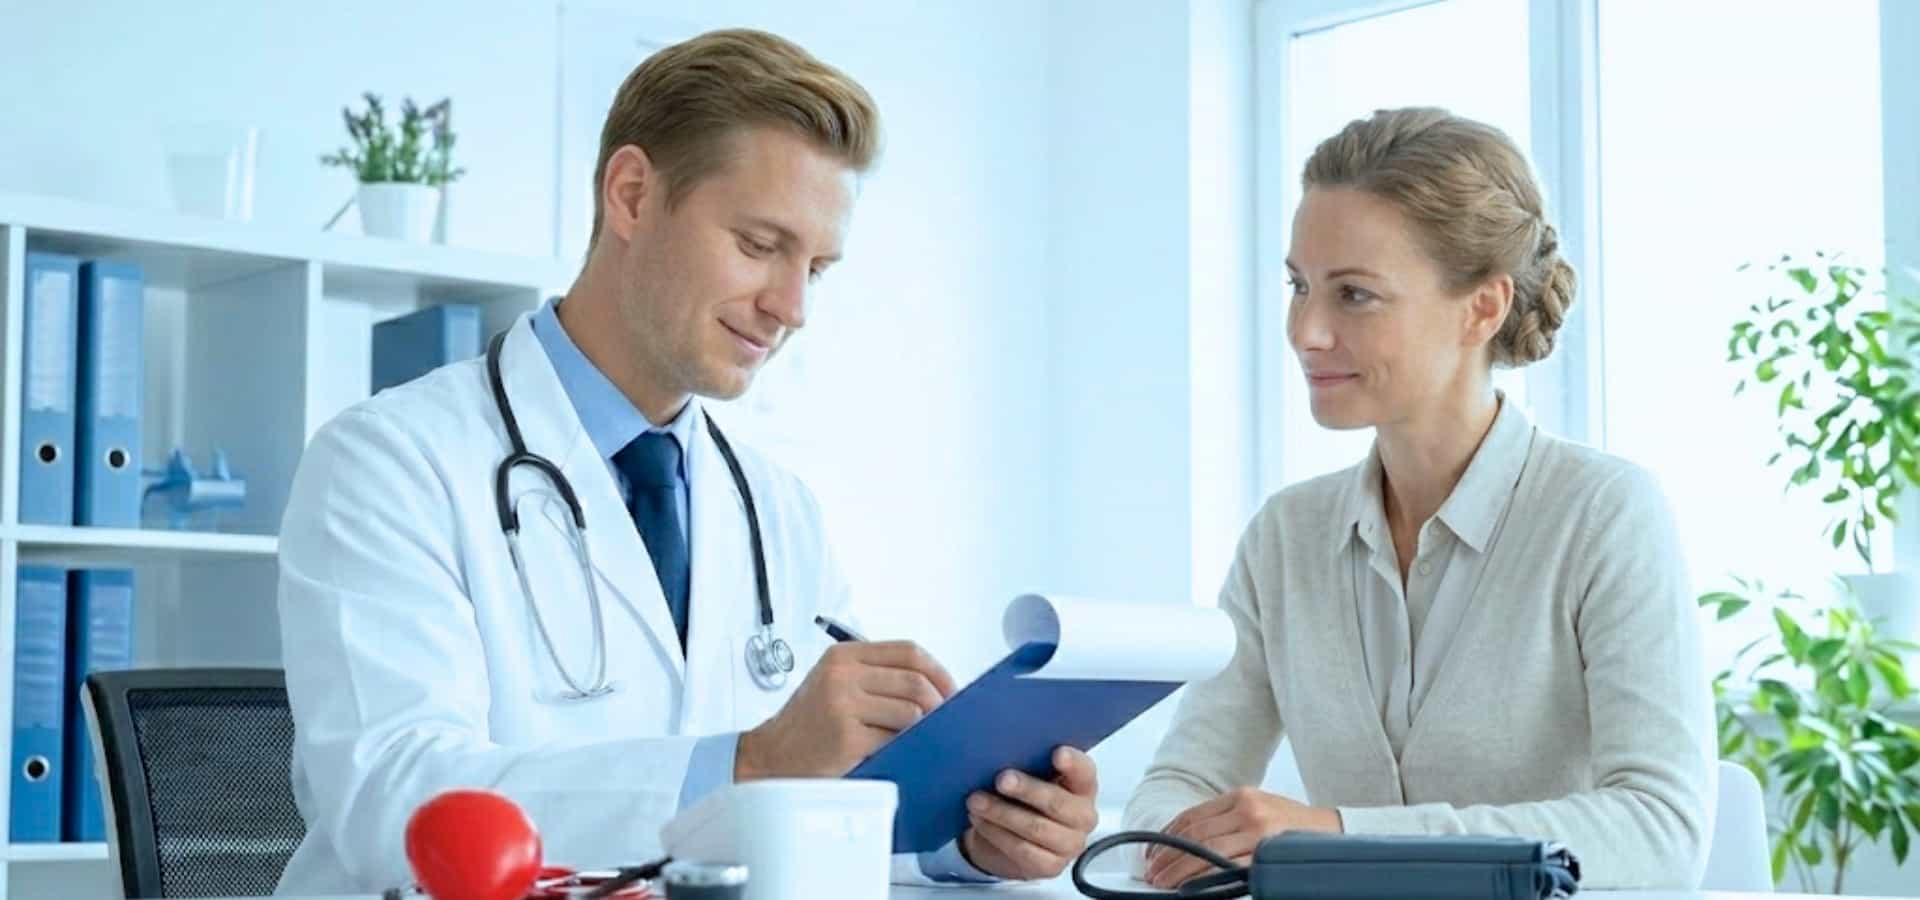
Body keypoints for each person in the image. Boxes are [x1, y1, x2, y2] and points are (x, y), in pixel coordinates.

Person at [273, 28, 1097, 895]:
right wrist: (754, 762)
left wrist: (967, 839)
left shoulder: (777, 510)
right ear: (631, 195)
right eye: (759, 244)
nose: (792, 307)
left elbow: (827, 815)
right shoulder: (388, 465)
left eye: (816, 266)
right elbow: (395, 807)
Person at [1124, 107, 1715, 890]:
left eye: (1355, 295)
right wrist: (1186, 839)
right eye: (1300, 287)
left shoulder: (1603, 514)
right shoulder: (1286, 538)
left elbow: (1659, 830)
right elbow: (1172, 793)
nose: (1307, 330)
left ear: (1483, 307)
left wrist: (1337, 836)